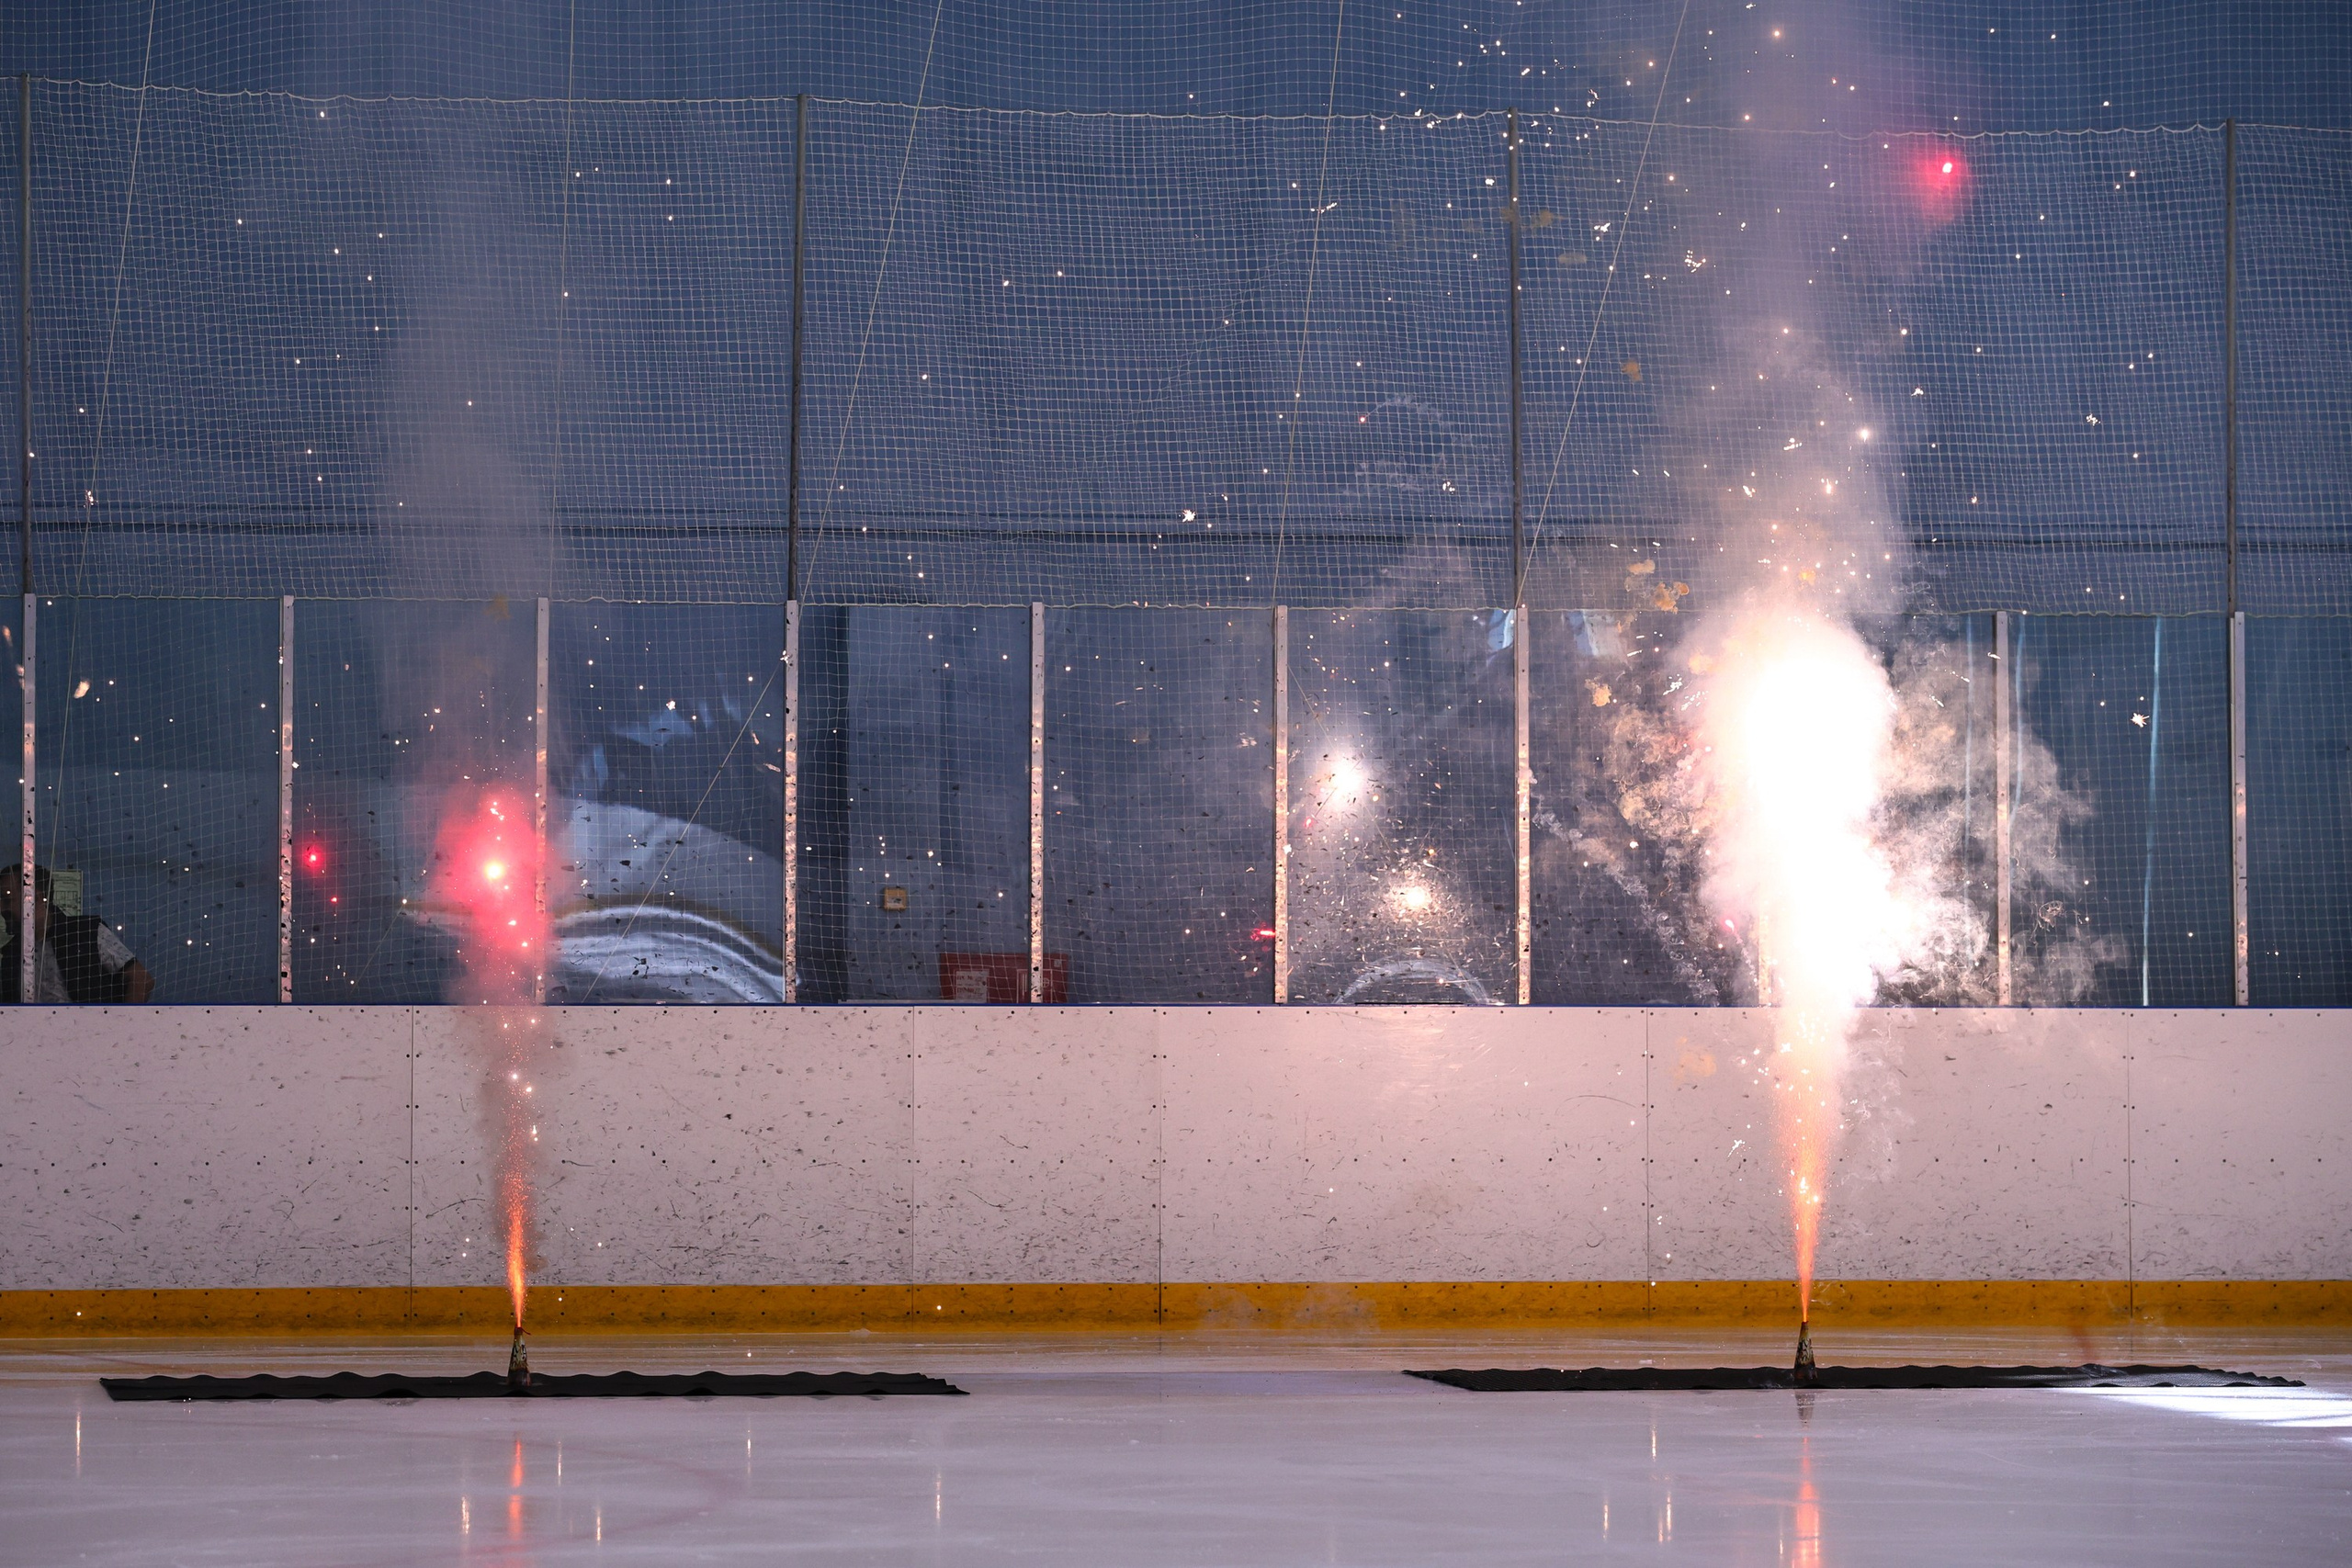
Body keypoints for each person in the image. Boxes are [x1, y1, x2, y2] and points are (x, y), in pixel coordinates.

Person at [0, 863, 155, 1003]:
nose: (2, 909)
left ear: (37, 898)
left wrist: (120, 1024)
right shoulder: (11, 953)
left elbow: (140, 979)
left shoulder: (86, 932)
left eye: (7, 900)